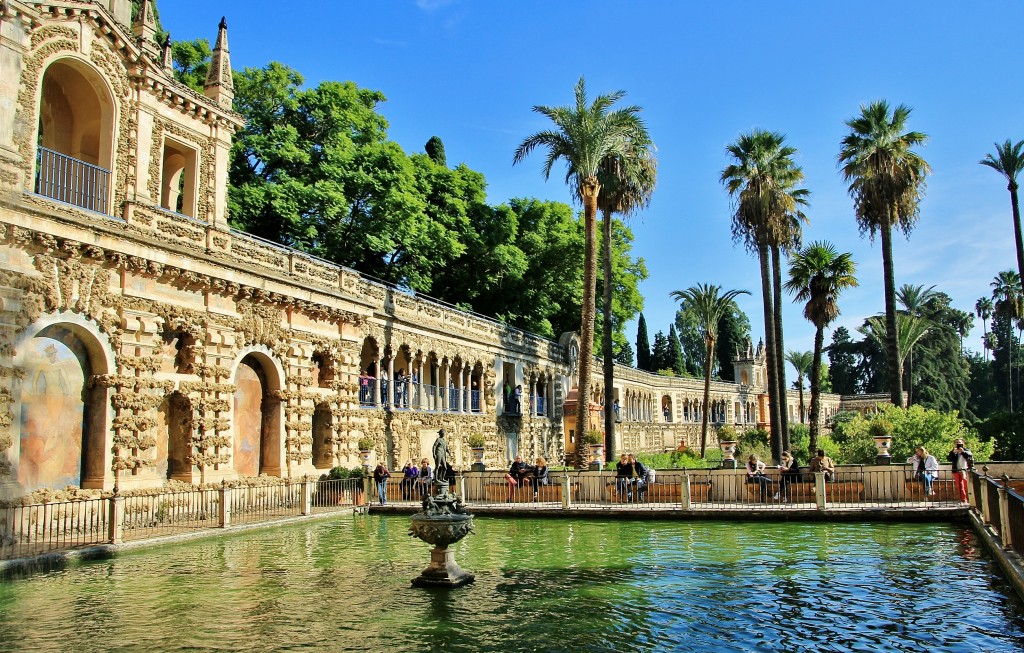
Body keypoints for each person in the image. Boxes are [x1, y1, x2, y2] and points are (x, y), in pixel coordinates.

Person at [947, 438, 974, 503]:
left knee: (967, 485)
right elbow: (949, 459)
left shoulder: (967, 450)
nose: (958, 444)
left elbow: (969, 456)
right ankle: (963, 500)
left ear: (963, 443)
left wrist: (963, 452)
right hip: (956, 470)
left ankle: (971, 499)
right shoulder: (953, 451)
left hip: (965, 470)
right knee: (960, 486)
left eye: (959, 442)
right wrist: (954, 453)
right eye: (956, 442)